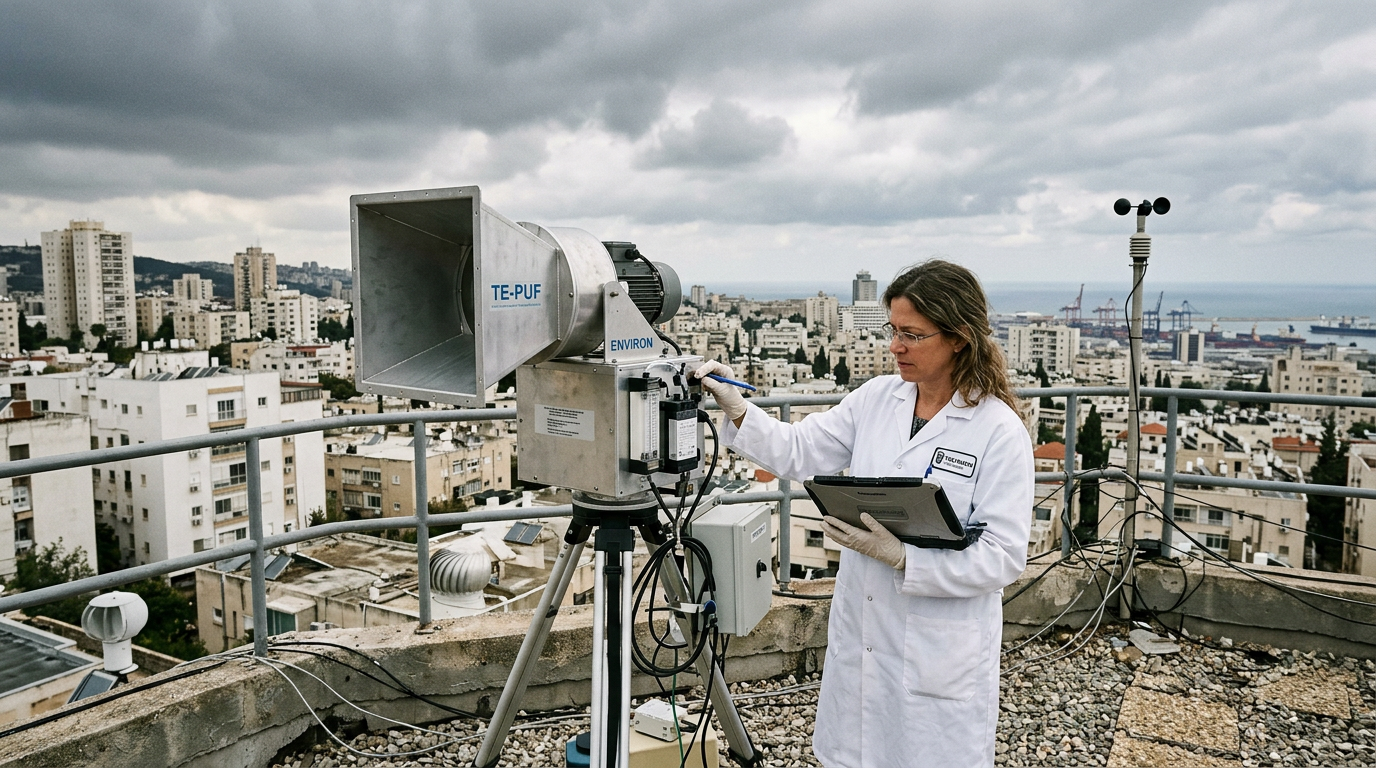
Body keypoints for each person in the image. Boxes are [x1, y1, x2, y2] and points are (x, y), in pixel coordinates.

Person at [694, 259, 1032, 768]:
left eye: (912, 335)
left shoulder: (997, 431)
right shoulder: (878, 398)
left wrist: (905, 559)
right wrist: (737, 408)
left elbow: (1003, 557)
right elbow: (799, 450)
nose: (894, 347)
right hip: (865, 633)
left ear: (959, 337)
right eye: (892, 331)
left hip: (938, 650)